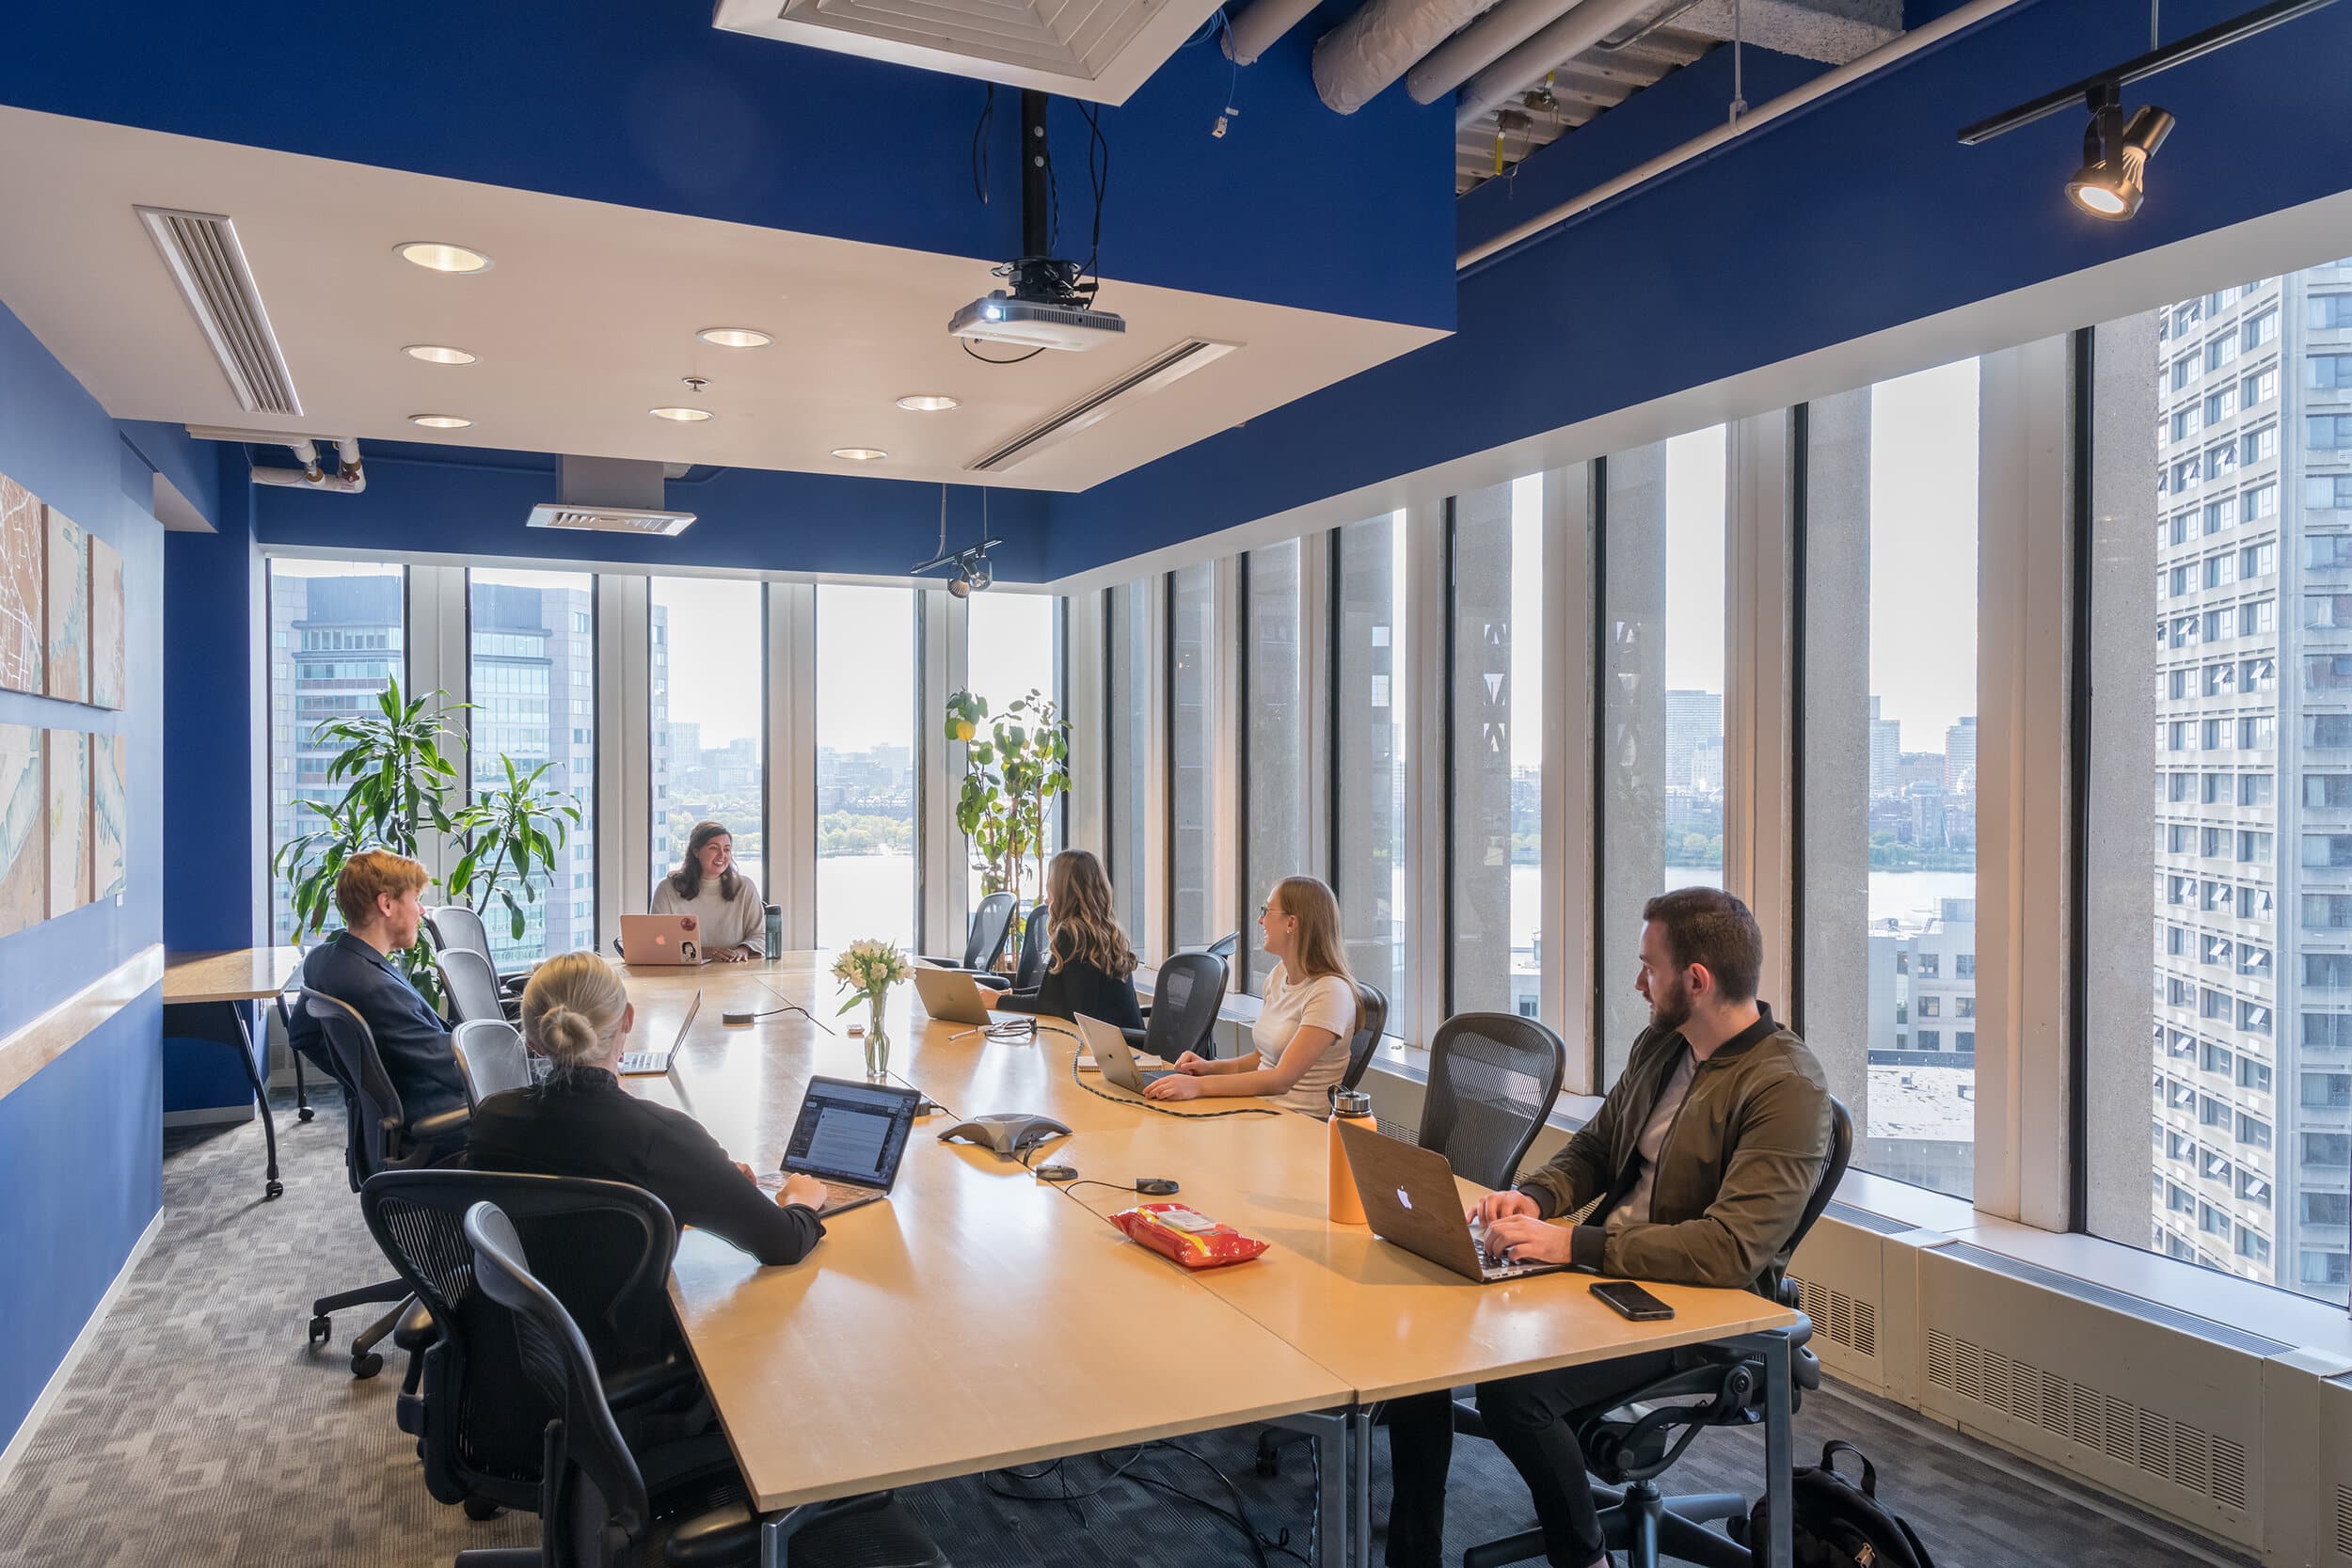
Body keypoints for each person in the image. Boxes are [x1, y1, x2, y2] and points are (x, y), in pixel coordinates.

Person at [1382, 887, 1833, 1568]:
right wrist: (1535, 1198)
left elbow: (1730, 1251)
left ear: (1697, 980)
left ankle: (1587, 1557)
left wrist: (1571, 1243)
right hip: (1603, 1271)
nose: (1638, 982)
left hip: (1696, 1307)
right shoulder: (1664, 1045)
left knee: (1516, 1393)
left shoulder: (1786, 1086)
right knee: (1425, 1340)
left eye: (1649, 967)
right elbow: (1595, 1149)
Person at [466, 951, 829, 1265]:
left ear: (534, 1041)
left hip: (505, 1319)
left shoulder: (492, 1119)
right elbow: (783, 1243)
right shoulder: (663, 1139)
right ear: (628, 1018)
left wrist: (694, 1176)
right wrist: (802, 1201)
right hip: (623, 1326)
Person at [287, 849, 469, 1158]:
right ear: (386, 904)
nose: (421, 911)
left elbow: (301, 1035)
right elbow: (455, 1066)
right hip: (437, 1126)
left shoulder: (322, 960)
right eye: (415, 899)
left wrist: (365, 1087)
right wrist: (523, 1053)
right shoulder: (375, 988)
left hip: (386, 1121)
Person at [1144, 875, 1358, 1117]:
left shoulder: (1331, 992)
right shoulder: (1279, 975)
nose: (1260, 920)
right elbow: (1261, 1060)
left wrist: (1197, 1087)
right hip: (1258, 1110)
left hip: (1296, 1122)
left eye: (1267, 911)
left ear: (1291, 923)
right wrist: (1207, 1068)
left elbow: (1281, 1080)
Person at [992, 850, 1145, 1032]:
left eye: (1050, 885)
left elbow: (1057, 1007)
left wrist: (999, 1001)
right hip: (1121, 1040)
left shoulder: (1074, 935)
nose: (1046, 897)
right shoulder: (1103, 931)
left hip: (1113, 1044)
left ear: (1063, 891)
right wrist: (1011, 994)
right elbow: (1055, 994)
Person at [651, 821, 764, 963]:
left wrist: (742, 950)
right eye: (714, 848)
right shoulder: (667, 889)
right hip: (683, 972)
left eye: (727, 849)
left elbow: (760, 935)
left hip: (734, 970)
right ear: (696, 851)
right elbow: (658, 942)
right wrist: (705, 952)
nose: (722, 855)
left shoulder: (744, 887)